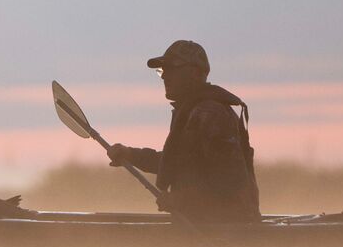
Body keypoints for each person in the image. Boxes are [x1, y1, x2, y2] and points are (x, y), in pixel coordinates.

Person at [105, 39, 261, 223]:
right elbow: (176, 161)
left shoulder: (211, 113)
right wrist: (130, 155)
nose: (164, 76)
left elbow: (229, 180)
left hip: (225, 232)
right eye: (163, 70)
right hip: (202, 229)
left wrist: (182, 200)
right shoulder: (191, 112)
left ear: (195, 72)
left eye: (172, 68)